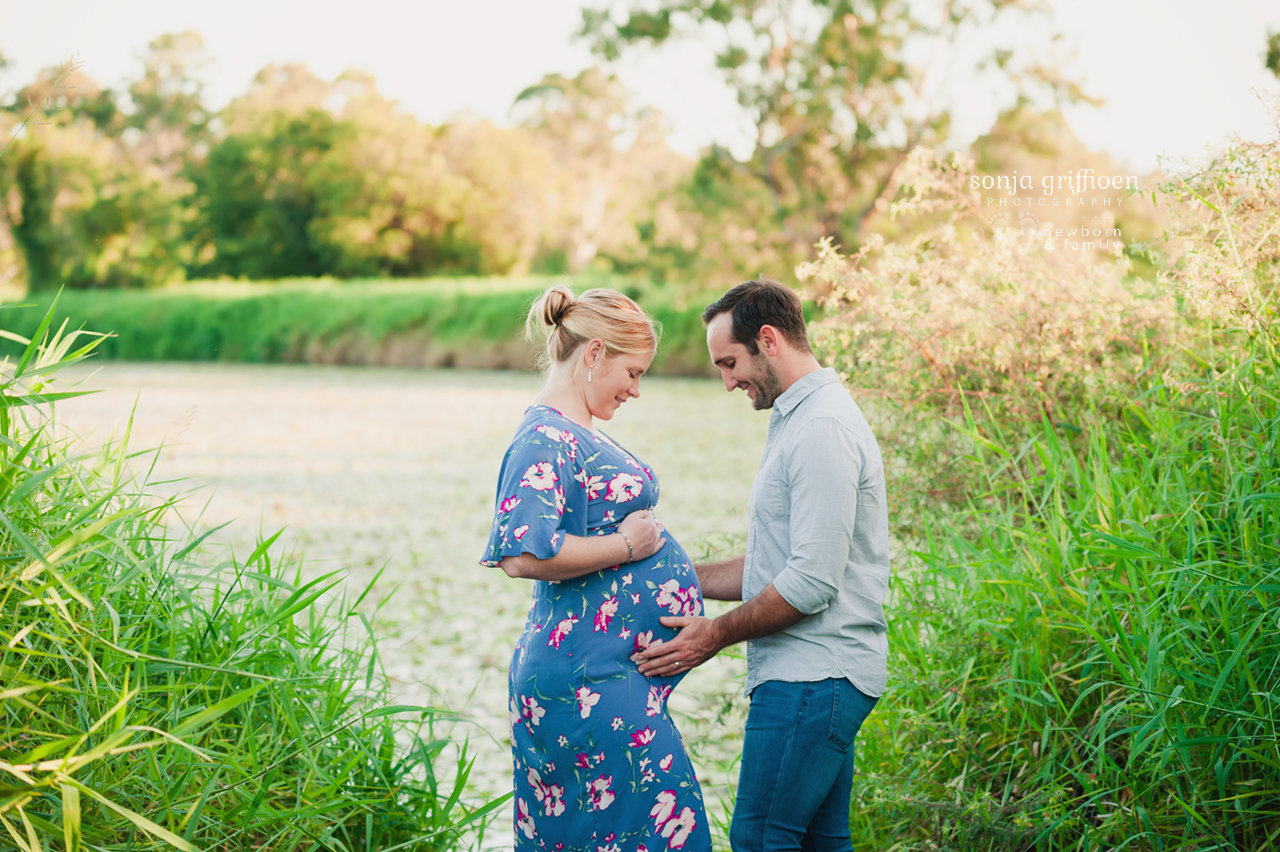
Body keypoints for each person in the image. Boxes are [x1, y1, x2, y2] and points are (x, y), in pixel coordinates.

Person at [636, 279, 890, 852]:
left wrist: (712, 636)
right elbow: (780, 563)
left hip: (813, 675)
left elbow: (810, 583)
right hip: (820, 676)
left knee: (759, 837)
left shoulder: (821, 428)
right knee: (822, 842)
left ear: (768, 340)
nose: (728, 381)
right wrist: (673, 577)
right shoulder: (800, 418)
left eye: (730, 362)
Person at [480, 284, 712, 852]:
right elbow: (521, 554)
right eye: (631, 373)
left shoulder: (576, 433)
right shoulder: (544, 438)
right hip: (583, 682)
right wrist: (626, 546)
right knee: (662, 830)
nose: (635, 390)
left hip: (607, 673)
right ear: (593, 354)